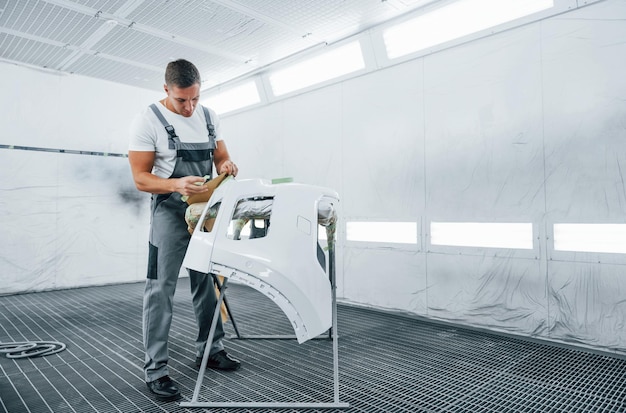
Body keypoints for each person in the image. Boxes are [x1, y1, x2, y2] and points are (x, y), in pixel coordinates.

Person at [128, 59, 241, 402]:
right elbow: (140, 178)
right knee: (160, 289)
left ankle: (211, 350)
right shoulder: (148, 120)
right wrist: (176, 183)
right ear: (166, 90)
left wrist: (226, 165)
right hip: (169, 210)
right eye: (182, 101)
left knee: (206, 282)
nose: (190, 107)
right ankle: (156, 370)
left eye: (195, 98)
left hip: (204, 210)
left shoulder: (209, 116)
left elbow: (221, 156)